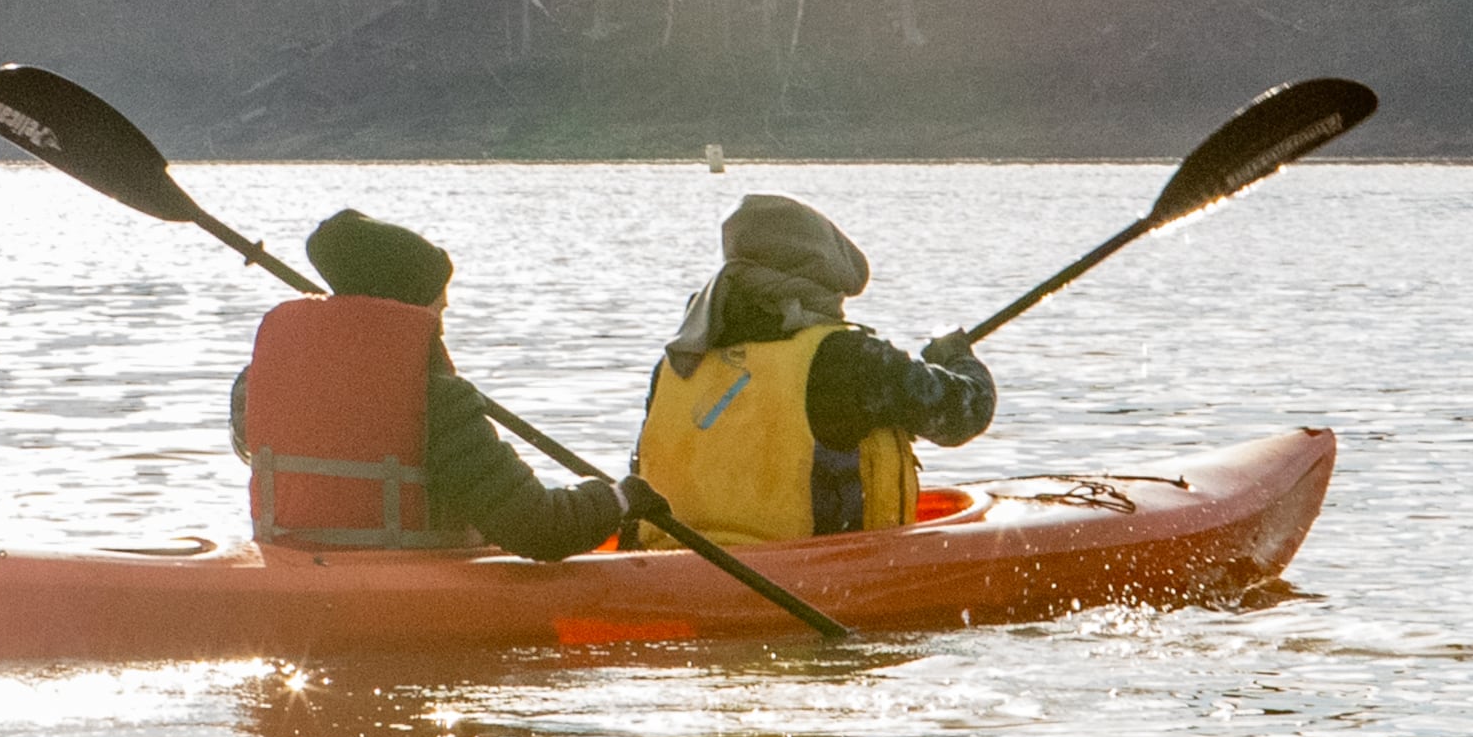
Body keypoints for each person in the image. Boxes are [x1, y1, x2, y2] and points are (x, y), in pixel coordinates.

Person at [229, 209, 631, 562]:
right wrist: (620, 498)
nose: (446, 309)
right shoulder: (436, 399)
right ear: (411, 305)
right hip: (402, 584)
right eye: (438, 301)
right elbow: (538, 530)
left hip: (295, 564)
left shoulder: (257, 381)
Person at [628, 193, 994, 548]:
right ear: (825, 280)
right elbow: (966, 411)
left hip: (676, 572)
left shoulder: (677, 361)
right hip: (807, 582)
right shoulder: (847, 358)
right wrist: (955, 354)